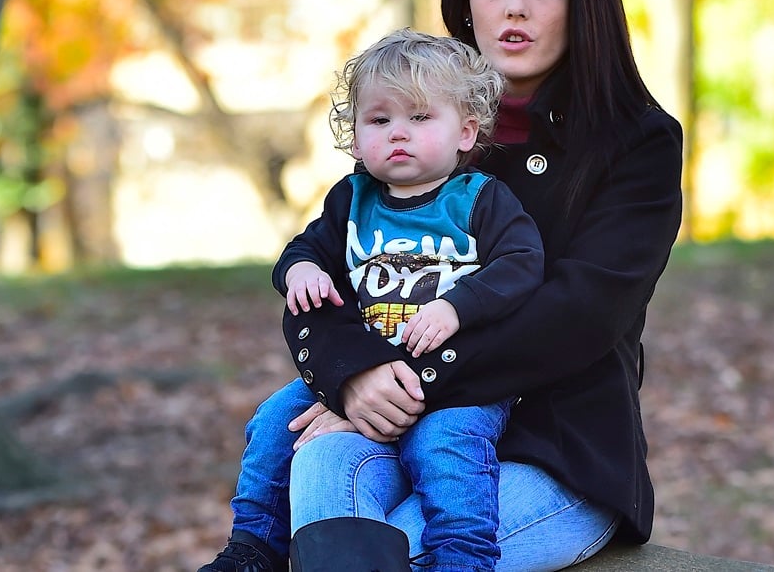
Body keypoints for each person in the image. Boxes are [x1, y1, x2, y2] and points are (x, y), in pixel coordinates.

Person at [281, 0, 684, 572]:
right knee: (322, 479)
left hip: (555, 446)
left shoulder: (637, 143)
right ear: (466, 0)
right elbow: (330, 263)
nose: (515, 7)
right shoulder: (420, 130)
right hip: (401, 427)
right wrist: (348, 377)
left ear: (584, 3)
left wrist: (401, 379)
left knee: (400, 554)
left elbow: (579, 314)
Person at [199, 29, 544, 572]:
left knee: (448, 452)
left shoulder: (478, 199)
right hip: (364, 367)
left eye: (420, 118)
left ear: (465, 131)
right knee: (273, 421)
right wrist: (303, 269)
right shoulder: (351, 199)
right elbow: (304, 248)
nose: (398, 134)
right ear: (356, 138)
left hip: (458, 380)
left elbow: (523, 263)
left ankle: (464, 558)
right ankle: (253, 547)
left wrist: (457, 306)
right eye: (380, 121)